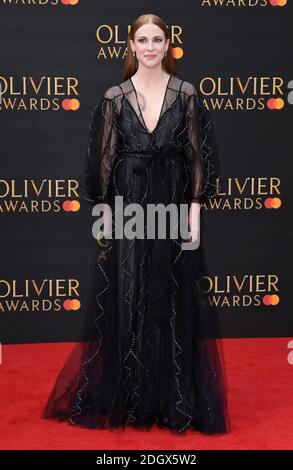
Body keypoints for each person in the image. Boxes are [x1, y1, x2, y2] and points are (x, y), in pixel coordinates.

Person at [41, 13, 230, 435]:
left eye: (156, 39)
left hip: (172, 205)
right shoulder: (113, 98)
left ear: (168, 45)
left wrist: (194, 212)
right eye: (142, 39)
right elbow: (103, 162)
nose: (149, 46)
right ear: (130, 45)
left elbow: (199, 158)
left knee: (171, 298)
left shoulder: (186, 95)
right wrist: (105, 213)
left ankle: (172, 399)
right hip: (128, 207)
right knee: (128, 297)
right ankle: (132, 398)